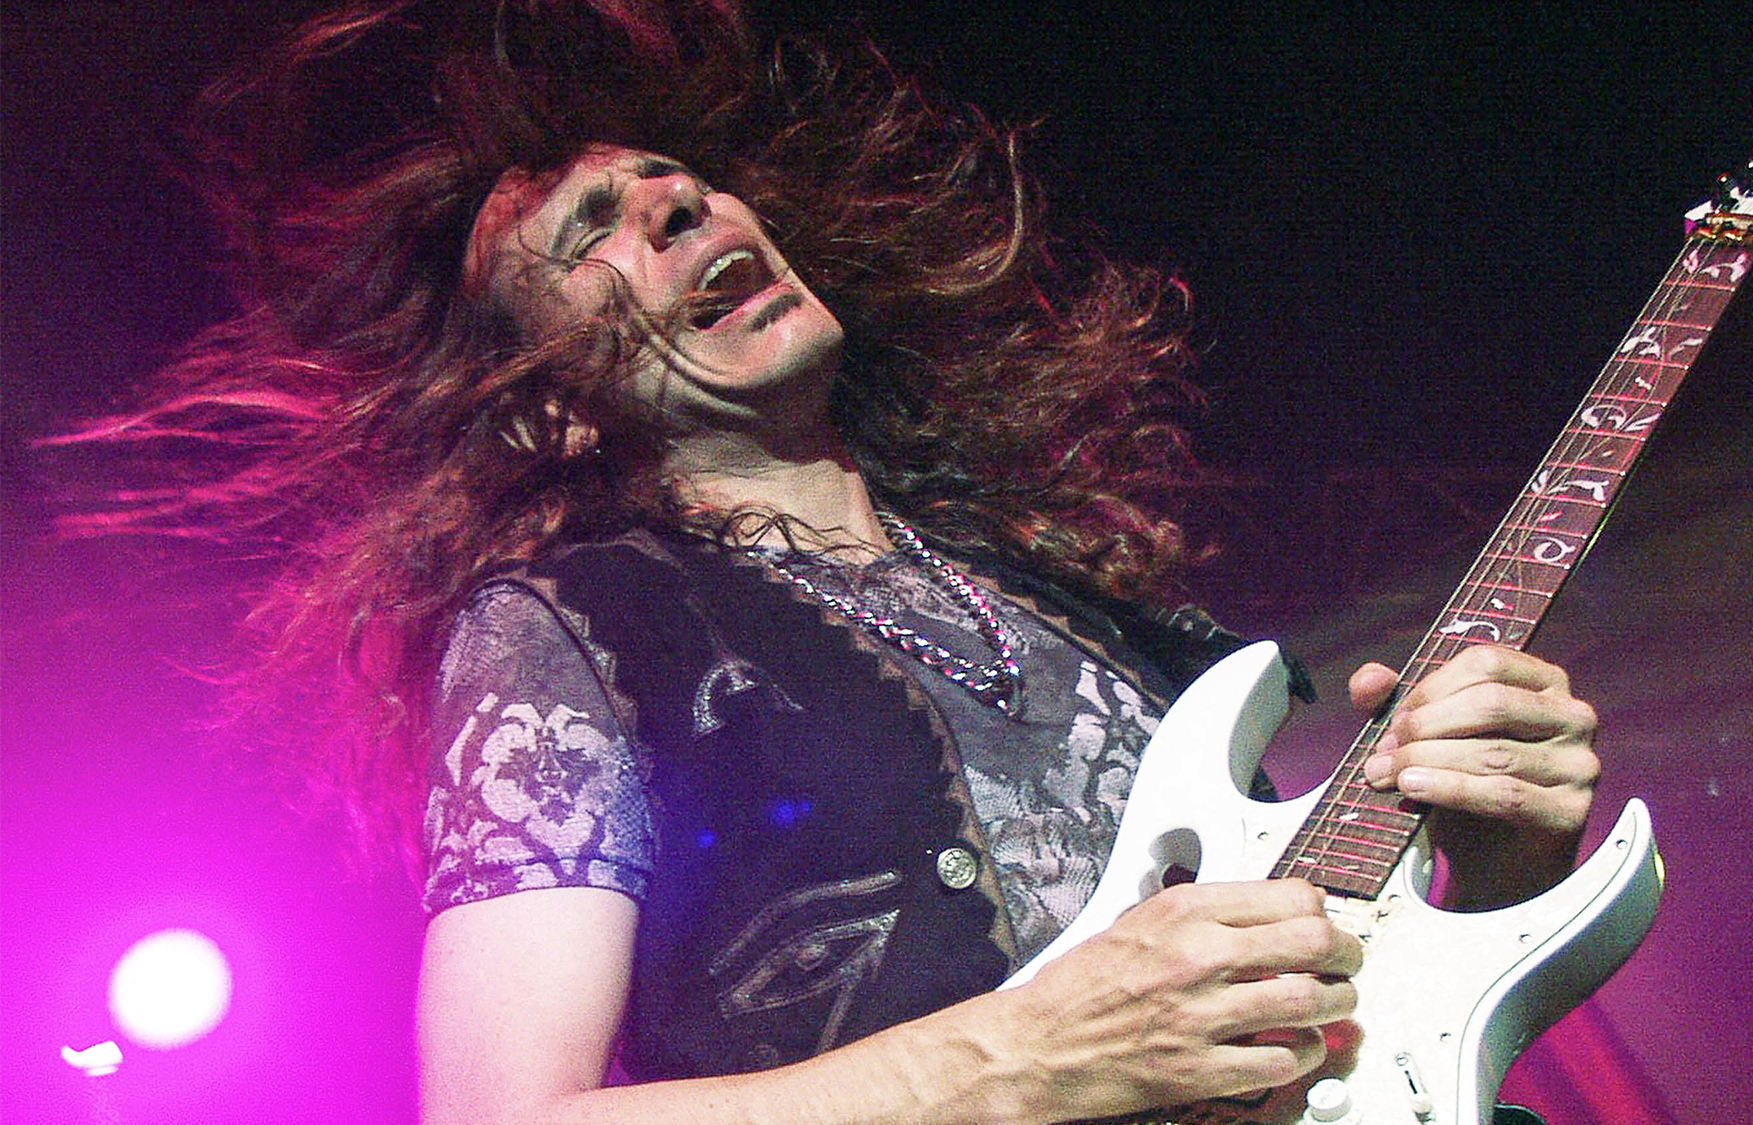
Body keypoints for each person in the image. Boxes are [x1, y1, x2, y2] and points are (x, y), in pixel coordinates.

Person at [75, 3, 1598, 1122]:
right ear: (547, 406)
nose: (677, 201)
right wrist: (1022, 1056)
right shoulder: (565, 629)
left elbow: (1340, 1021)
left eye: (679, 178)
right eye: (596, 229)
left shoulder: (1077, 599)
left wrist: (1496, 861)